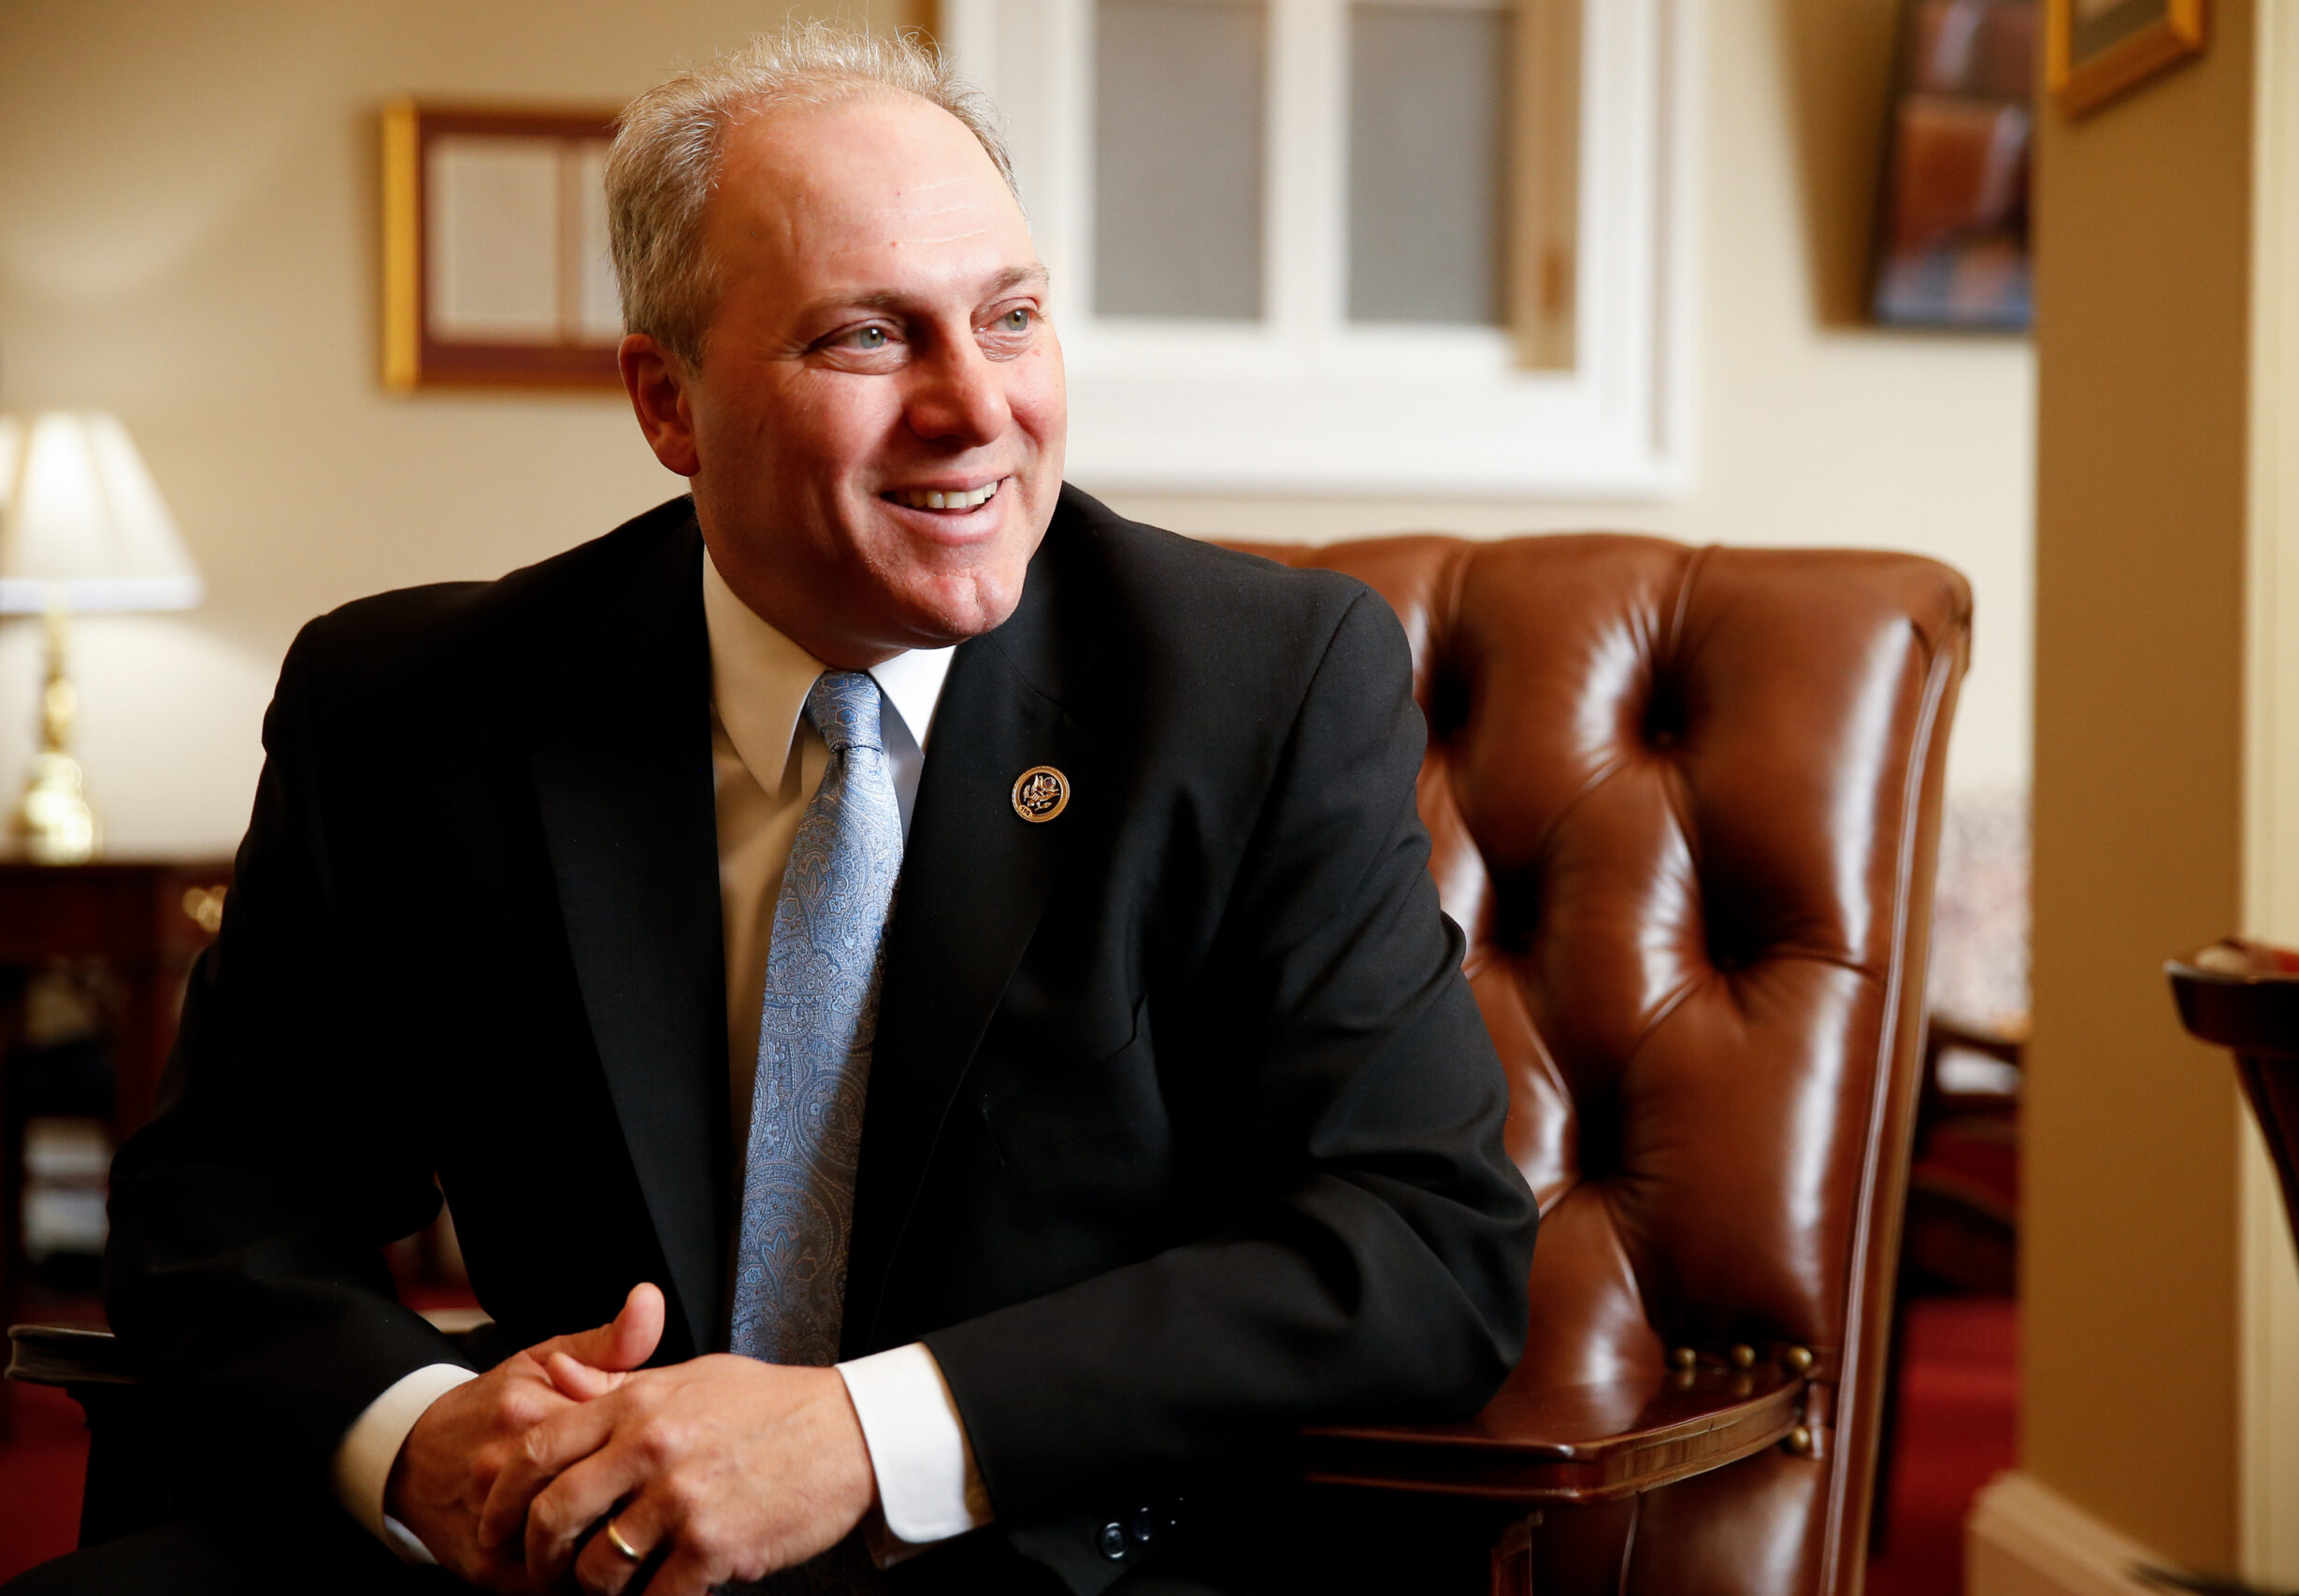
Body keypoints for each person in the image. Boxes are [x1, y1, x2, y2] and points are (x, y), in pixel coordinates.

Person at [16, 23, 1536, 1596]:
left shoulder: (1259, 687)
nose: (977, 409)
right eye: (869, 339)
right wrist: (423, 1436)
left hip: (1039, 1552)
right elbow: (216, 1215)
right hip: (556, 1557)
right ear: (666, 404)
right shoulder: (413, 709)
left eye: (1009, 320)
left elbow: (1425, 1242)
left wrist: (864, 1436)